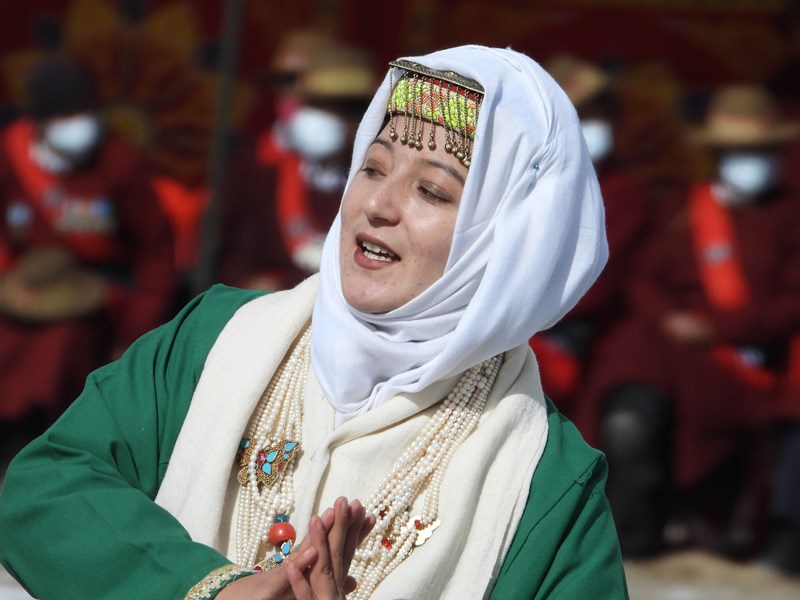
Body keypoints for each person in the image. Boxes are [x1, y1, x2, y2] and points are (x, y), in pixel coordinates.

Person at [0, 45, 627, 599]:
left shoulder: (544, 480)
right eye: (373, 167)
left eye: (432, 192)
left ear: (511, 239)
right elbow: (45, 486)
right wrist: (207, 589)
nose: (377, 206)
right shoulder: (215, 339)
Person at [575, 84, 800, 559]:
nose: (749, 161)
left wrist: (719, 331)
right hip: (666, 344)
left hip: (748, 360)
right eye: (738, 152)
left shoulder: (789, 215)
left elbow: (792, 301)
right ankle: (630, 540)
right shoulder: (681, 209)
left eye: (758, 152)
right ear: (717, 155)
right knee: (627, 419)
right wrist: (672, 321)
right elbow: (640, 278)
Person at [0, 56, 177, 460]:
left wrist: (133, 337)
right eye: (66, 115)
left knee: (60, 349)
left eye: (85, 111)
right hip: (22, 287)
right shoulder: (10, 155)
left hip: (94, 296)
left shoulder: (120, 162)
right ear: (41, 120)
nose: (78, 123)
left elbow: (155, 253)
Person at [530, 55, 652, 414]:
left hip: (574, 337)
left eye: (598, 115)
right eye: (579, 116)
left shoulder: (623, 194)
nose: (590, 126)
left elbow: (594, 285)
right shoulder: (525, 183)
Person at [220, 42, 376, 291]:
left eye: (333, 108)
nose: (318, 116)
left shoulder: (372, 188)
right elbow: (233, 249)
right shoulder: (265, 172)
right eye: (313, 105)